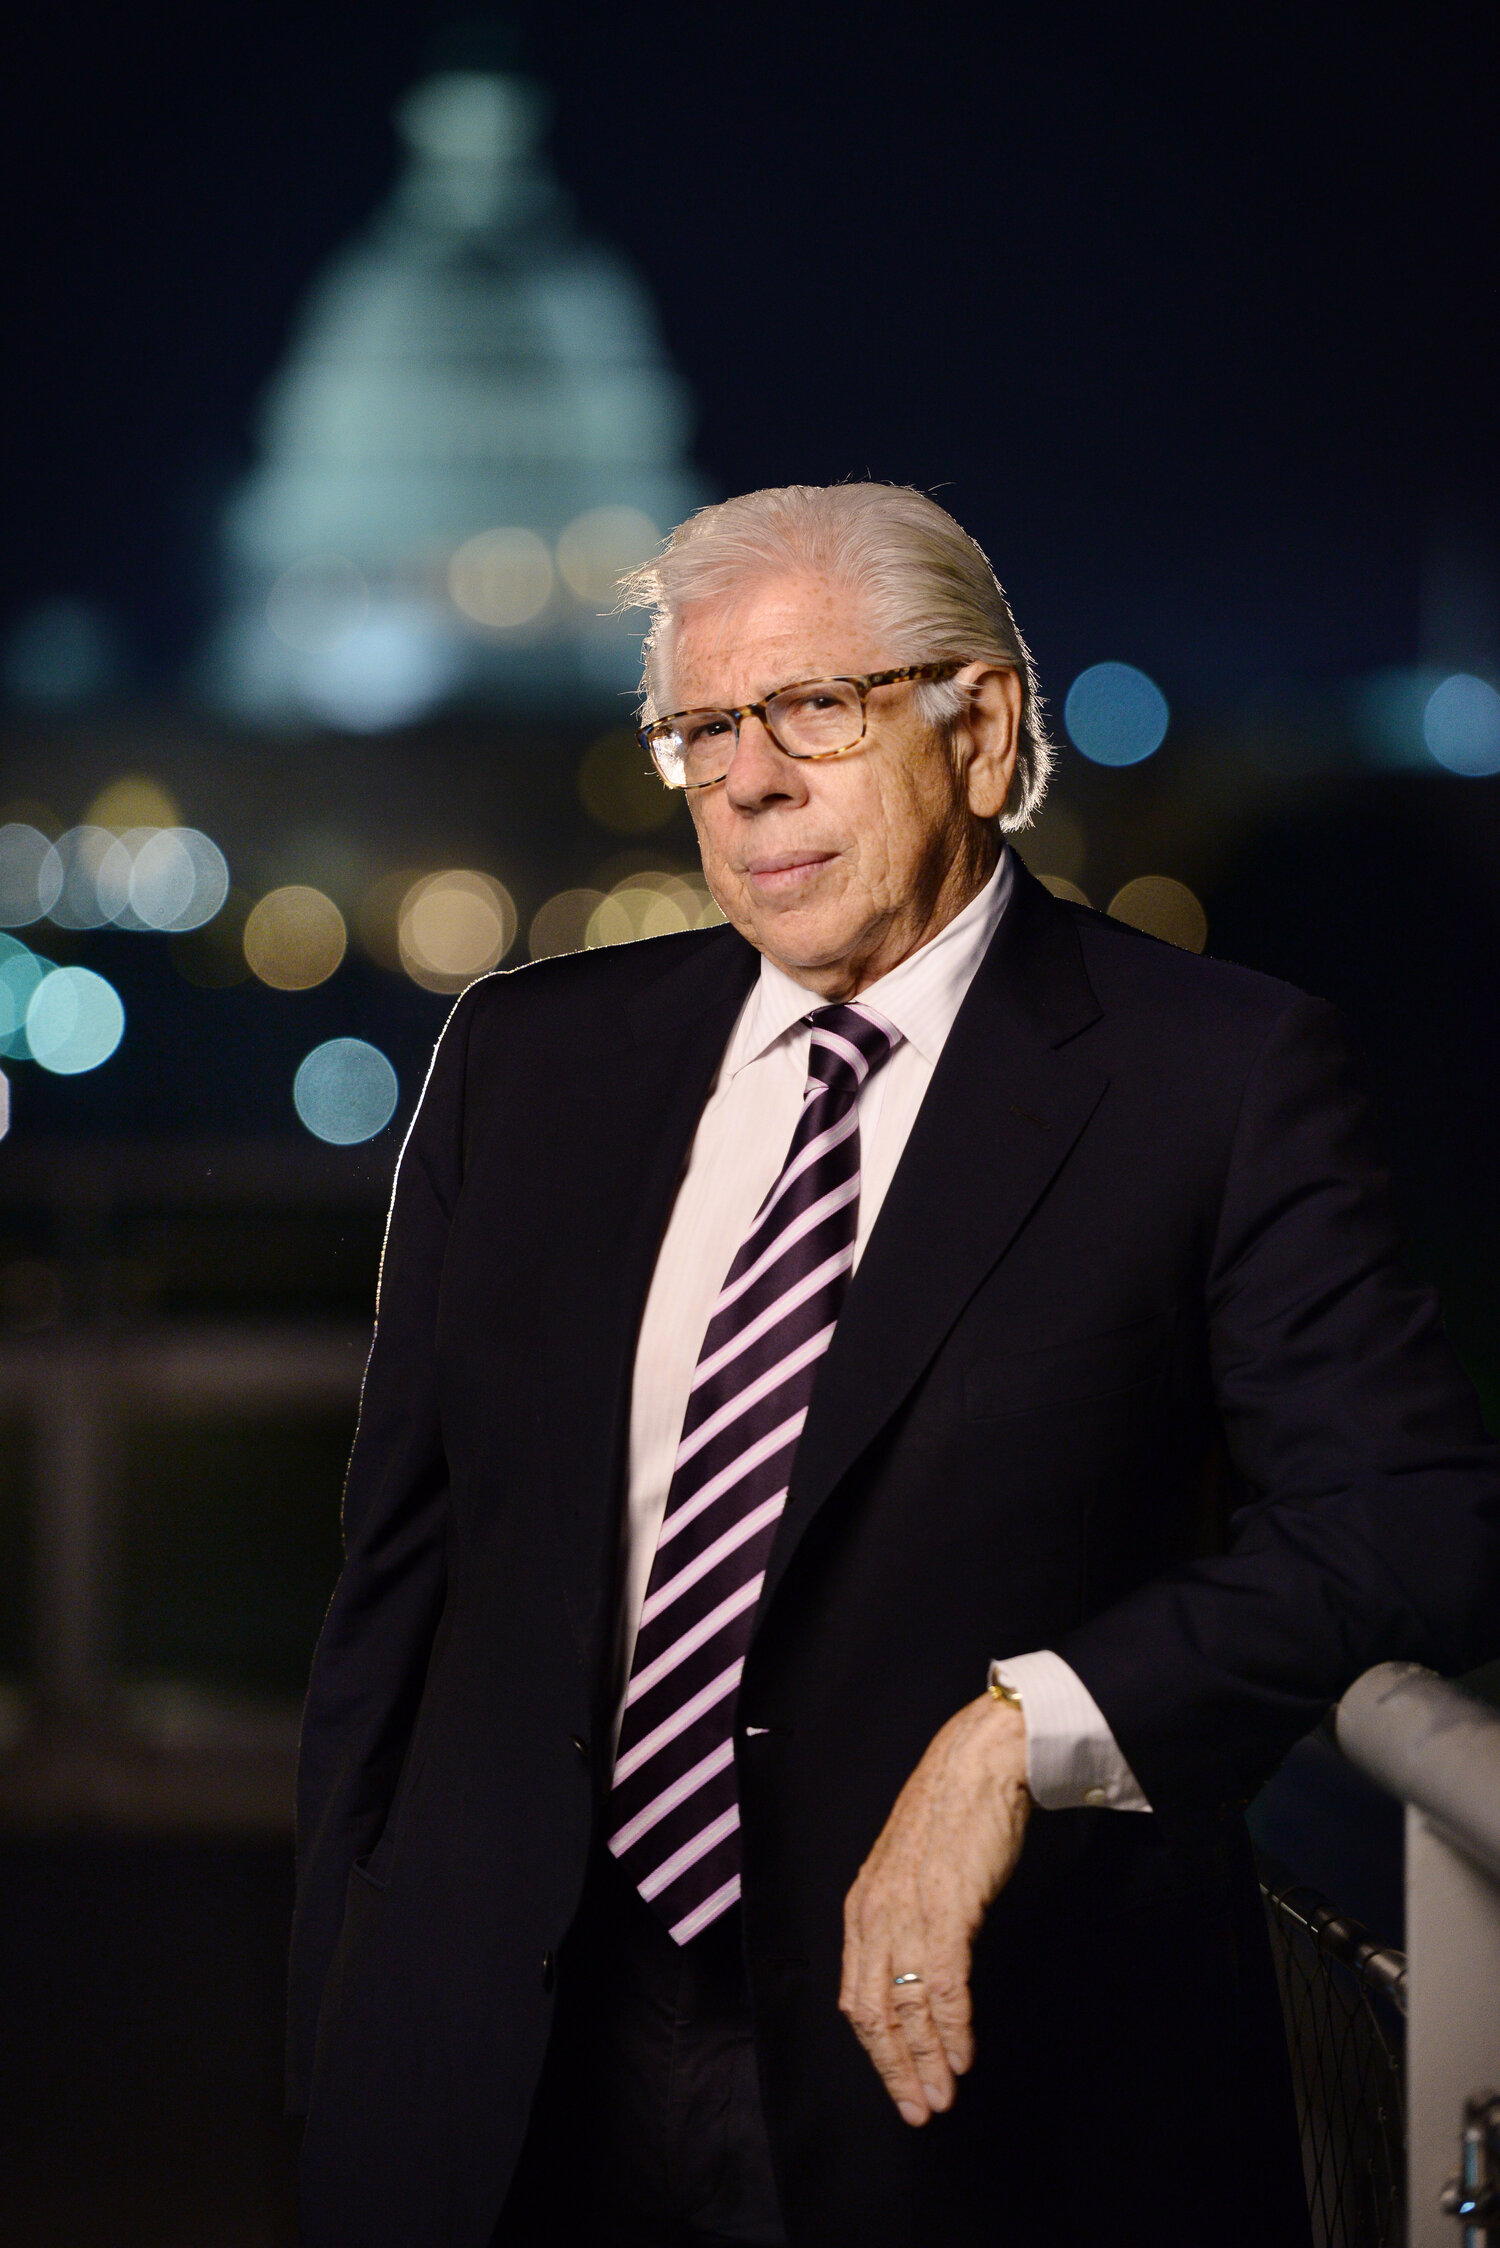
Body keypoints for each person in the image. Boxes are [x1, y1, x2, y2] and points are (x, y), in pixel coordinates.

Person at [288, 484, 1500, 2248]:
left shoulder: (1216, 1080)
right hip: (505, 2075)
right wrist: (347, 2046)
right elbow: (392, 1607)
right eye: (699, 727)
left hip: (975, 2093)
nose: (744, 779)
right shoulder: (525, 1066)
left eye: (814, 711)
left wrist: (1031, 1730)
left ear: (985, 726)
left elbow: (1413, 1523)